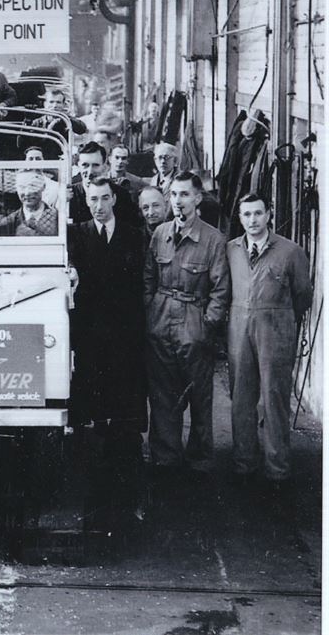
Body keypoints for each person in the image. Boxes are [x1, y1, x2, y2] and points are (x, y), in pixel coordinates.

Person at [68, 177, 148, 517]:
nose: (98, 206)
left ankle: (125, 475)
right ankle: (94, 469)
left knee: (123, 401)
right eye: (92, 199)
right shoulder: (78, 235)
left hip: (125, 333)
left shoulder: (133, 234)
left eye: (103, 198)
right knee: (93, 402)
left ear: (114, 199)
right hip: (90, 333)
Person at [143, 171, 230, 477]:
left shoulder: (214, 240)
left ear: (197, 198)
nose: (178, 201)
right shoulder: (160, 233)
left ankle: (200, 458)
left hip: (195, 318)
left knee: (199, 394)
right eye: (174, 195)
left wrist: (207, 324)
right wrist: (151, 312)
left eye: (184, 195)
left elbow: (221, 290)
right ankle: (166, 457)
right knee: (163, 393)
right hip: (161, 318)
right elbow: (149, 279)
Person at [226, 194, 313, 491]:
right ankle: (244, 463)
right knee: (241, 397)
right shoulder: (232, 250)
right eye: (247, 214)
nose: (253, 220)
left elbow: (303, 295)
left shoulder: (290, 251)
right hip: (239, 325)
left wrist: (283, 320)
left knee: (274, 398)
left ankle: (278, 469)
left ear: (269, 215)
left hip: (275, 328)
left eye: (258, 214)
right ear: (240, 217)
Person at [69, 142, 142, 228]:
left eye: (95, 165)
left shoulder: (122, 195)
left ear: (105, 166)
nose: (90, 172)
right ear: (78, 165)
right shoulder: (70, 196)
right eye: (85, 165)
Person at [0, 171, 59, 236]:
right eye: (22, 187)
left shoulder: (58, 219)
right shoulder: (7, 224)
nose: (27, 193)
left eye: (32, 186)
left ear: (43, 186)